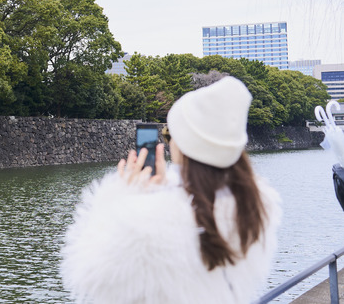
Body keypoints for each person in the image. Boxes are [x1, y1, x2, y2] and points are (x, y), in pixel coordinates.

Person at [60, 76, 282, 304]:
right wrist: (164, 189)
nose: (167, 143)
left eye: (169, 135)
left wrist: (122, 195)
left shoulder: (149, 223)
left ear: (186, 145)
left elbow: (90, 276)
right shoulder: (256, 205)